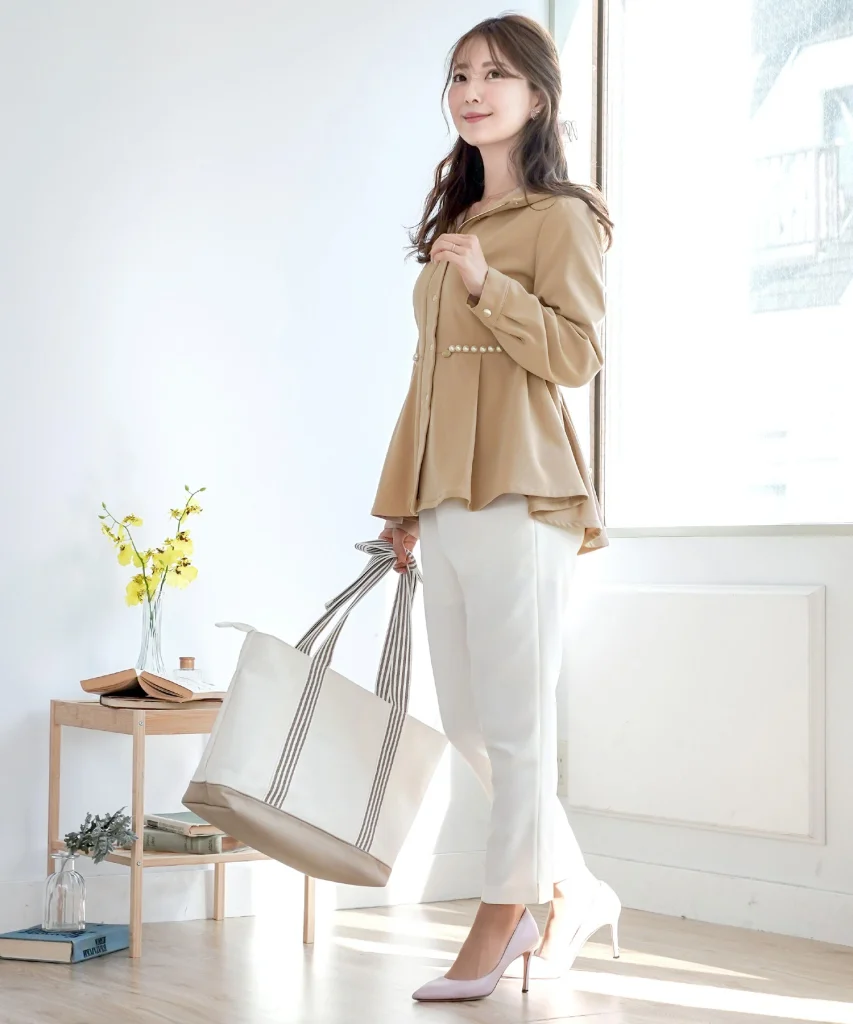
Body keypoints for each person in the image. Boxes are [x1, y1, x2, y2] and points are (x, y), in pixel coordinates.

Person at [372, 13, 620, 1003]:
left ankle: (504, 909)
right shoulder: (457, 221)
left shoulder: (562, 219)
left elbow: (577, 356)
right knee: (472, 724)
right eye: (461, 74)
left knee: (515, 722)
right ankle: (574, 891)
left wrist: (487, 287)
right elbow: (429, 377)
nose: (472, 91)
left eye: (496, 75)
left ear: (537, 96)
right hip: (446, 496)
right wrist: (402, 501)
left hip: (524, 489)